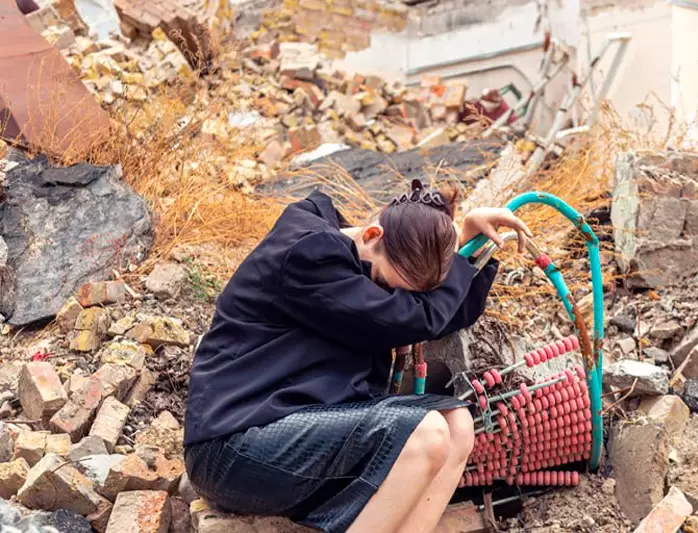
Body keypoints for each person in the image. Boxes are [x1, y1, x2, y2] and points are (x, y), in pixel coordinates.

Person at [183, 179, 532, 533]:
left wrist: (468, 240)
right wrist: (457, 244)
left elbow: (438, 316)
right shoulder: (310, 255)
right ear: (371, 235)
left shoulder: (352, 263)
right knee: (425, 434)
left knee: (457, 426)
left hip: (296, 432)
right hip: (234, 448)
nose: (384, 295)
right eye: (383, 284)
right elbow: (409, 318)